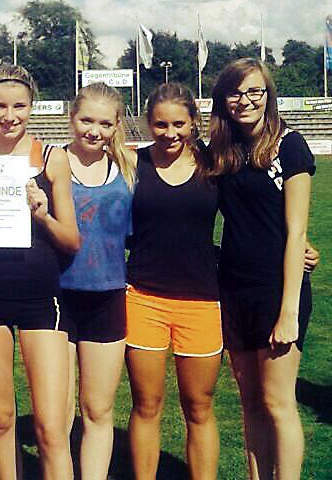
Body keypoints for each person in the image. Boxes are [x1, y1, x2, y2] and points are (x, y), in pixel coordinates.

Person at [0, 64, 80, 480]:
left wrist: (42, 216)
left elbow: (72, 241)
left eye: (19, 106)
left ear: (31, 107)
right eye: (0, 106)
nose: (9, 116)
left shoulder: (52, 158)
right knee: (0, 419)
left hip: (41, 297)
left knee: (51, 429)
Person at [209, 58, 314, 480]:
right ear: (223, 99)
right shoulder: (223, 150)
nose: (245, 100)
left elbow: (296, 231)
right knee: (250, 403)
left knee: (278, 403)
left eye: (255, 91)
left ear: (268, 95)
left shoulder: (290, 146)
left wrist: (289, 311)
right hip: (233, 289)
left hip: (277, 290)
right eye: (235, 93)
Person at [125, 83, 222, 480]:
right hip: (143, 298)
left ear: (193, 122)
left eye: (179, 124)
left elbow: (253, 213)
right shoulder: (133, 163)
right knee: (147, 404)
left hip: (201, 300)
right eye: (161, 125)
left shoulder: (214, 163)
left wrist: (297, 243)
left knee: (198, 406)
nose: (170, 133)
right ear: (148, 123)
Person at [59, 82, 135, 480]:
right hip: (56, 301)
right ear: (72, 118)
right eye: (86, 120)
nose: (94, 130)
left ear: (117, 124)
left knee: (98, 411)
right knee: (58, 415)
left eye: (105, 123)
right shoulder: (50, 164)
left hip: (108, 300)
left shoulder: (129, 170)